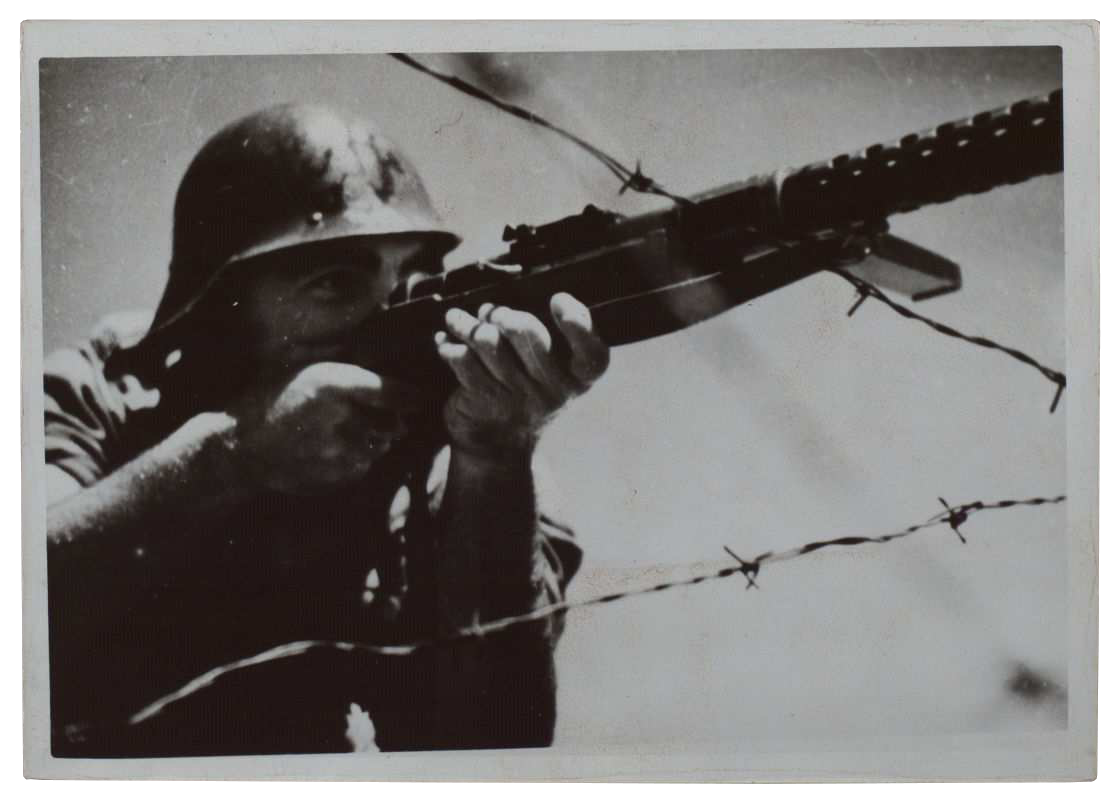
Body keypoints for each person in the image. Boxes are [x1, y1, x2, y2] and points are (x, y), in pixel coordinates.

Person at [44, 104, 609, 756]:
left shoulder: (456, 451)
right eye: (336, 283)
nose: (392, 315)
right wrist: (230, 457)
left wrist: (495, 459)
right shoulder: (107, 391)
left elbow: (492, 745)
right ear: (225, 307)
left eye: (413, 279)